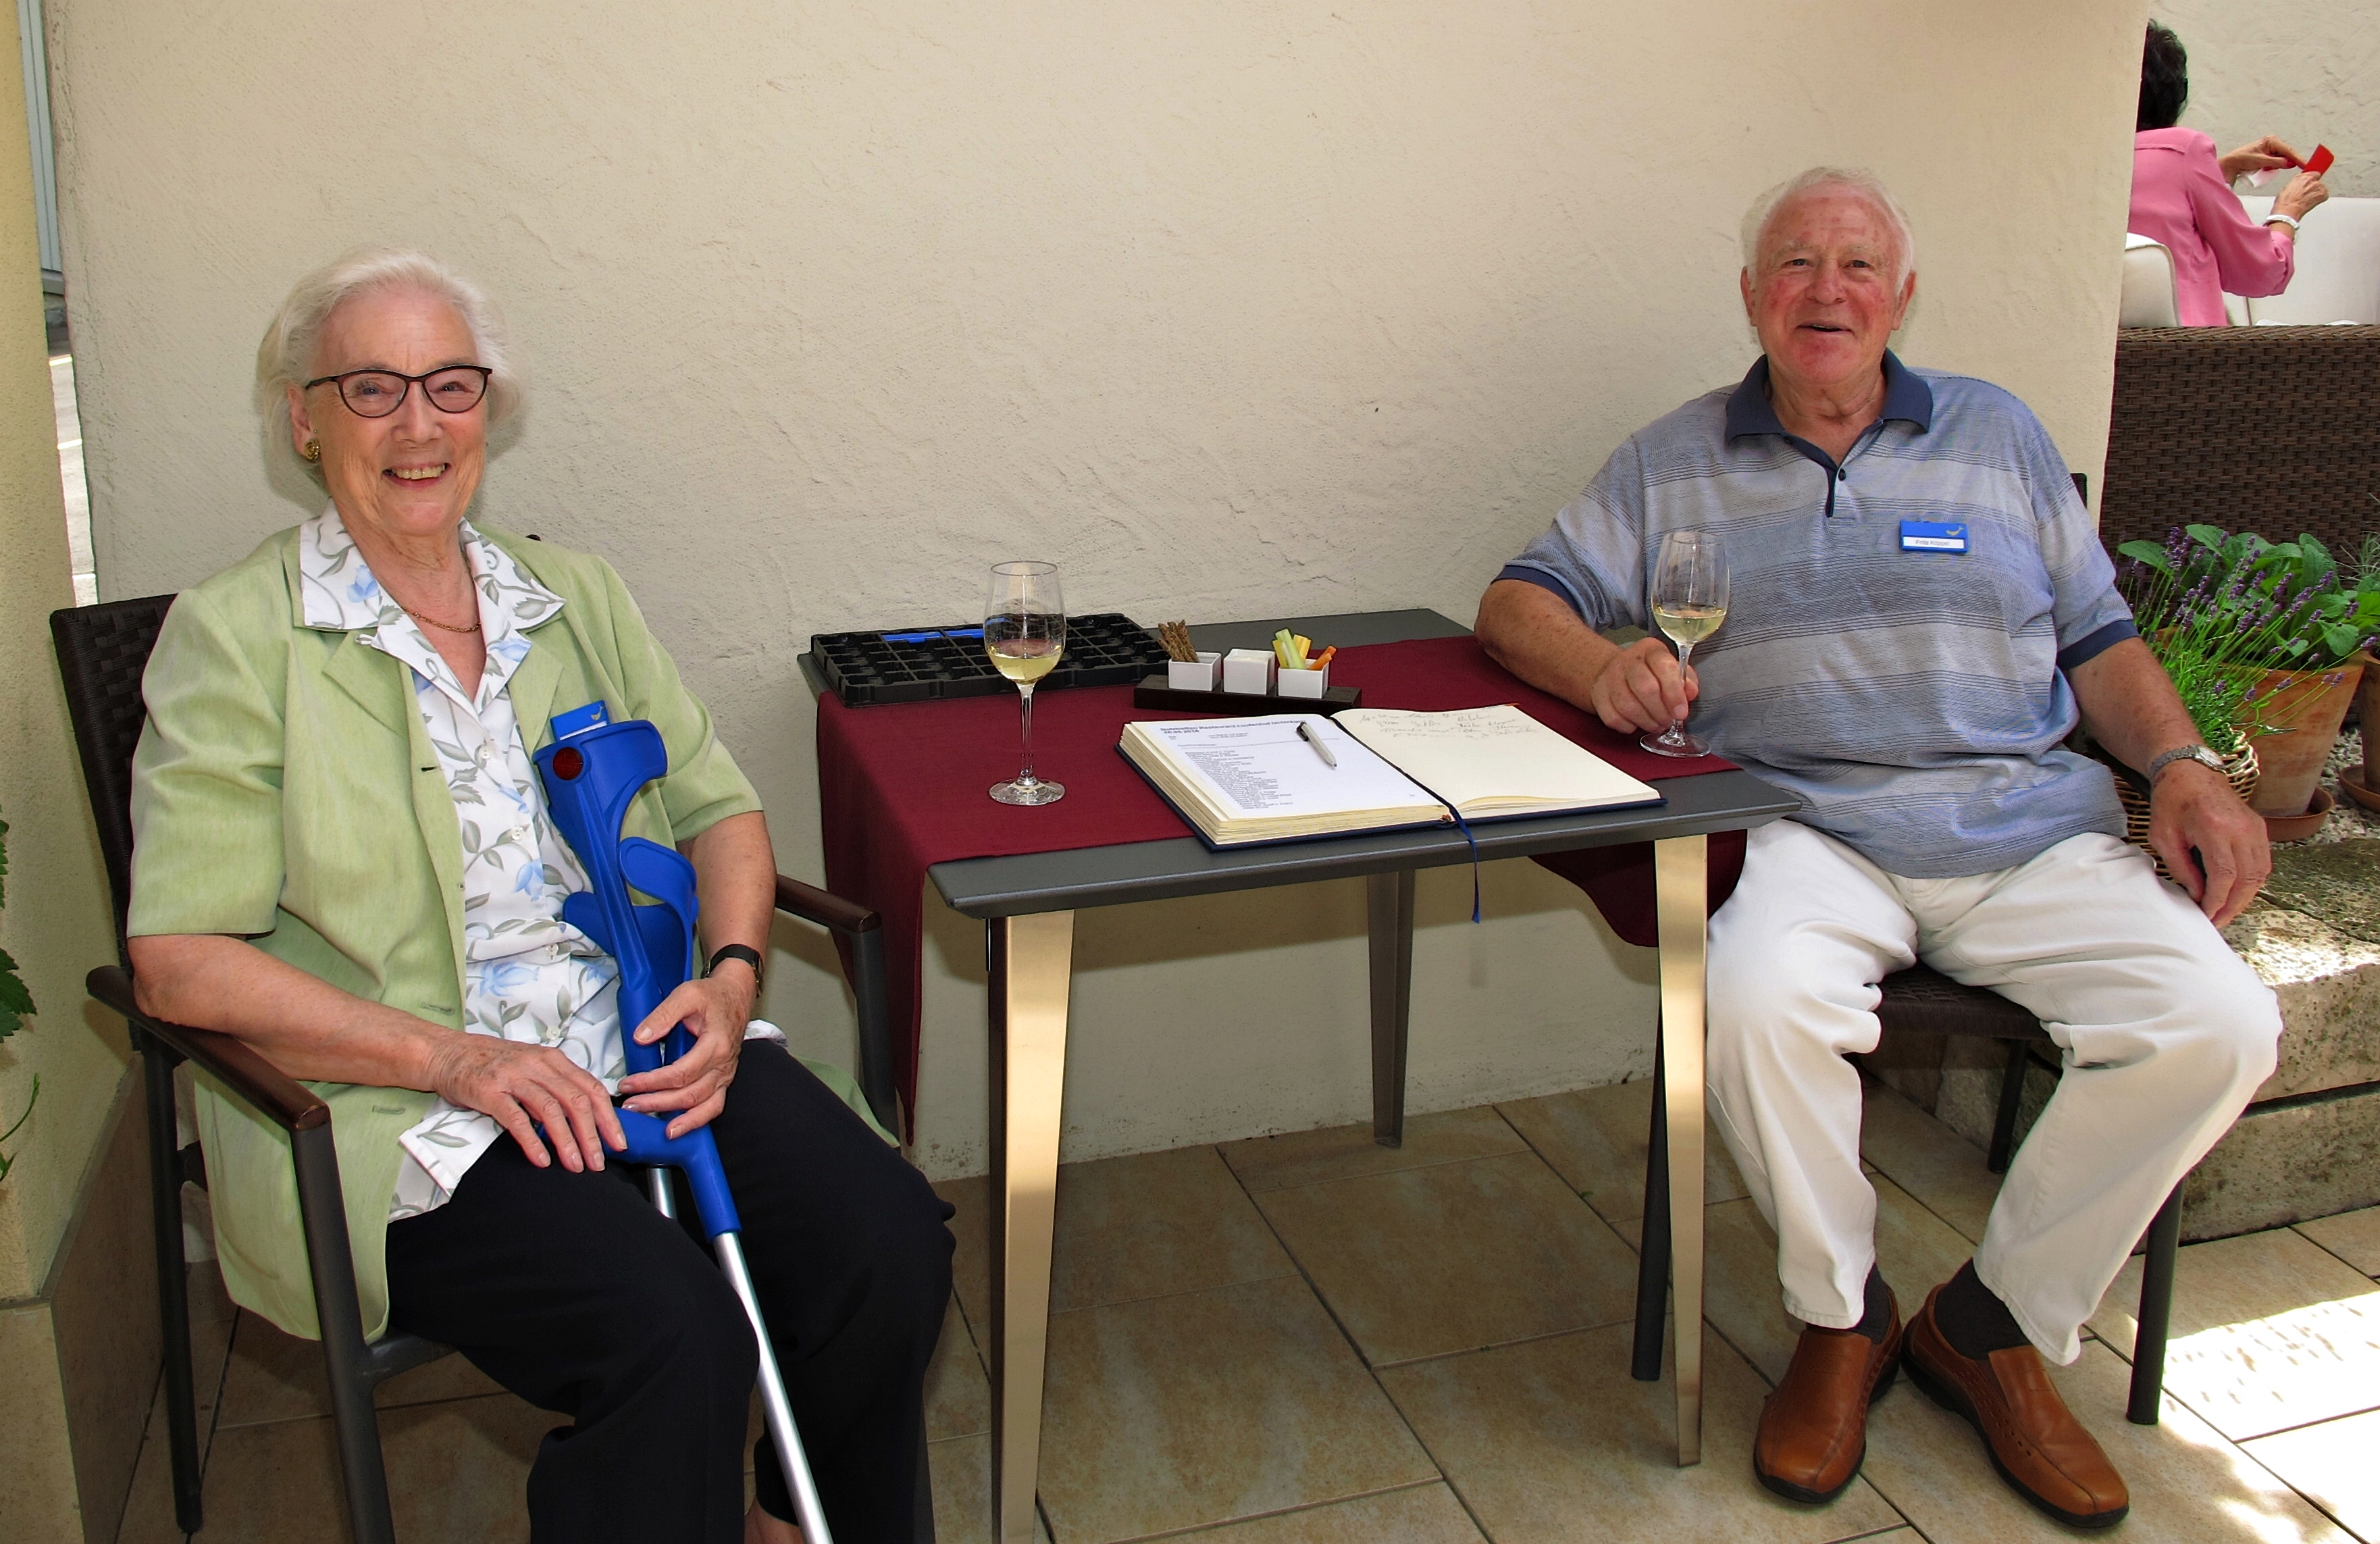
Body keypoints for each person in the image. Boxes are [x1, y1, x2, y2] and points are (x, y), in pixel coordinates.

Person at [1476, 169, 2281, 1528]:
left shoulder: (1998, 433)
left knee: (2219, 1023)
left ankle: (1991, 1324)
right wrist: (1601, 666)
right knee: (1749, 1000)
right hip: (1807, 827)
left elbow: (2099, 640)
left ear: (1901, 296)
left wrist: (2184, 765)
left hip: (2024, 830)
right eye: (1795, 263)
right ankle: (1840, 1313)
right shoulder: (1671, 458)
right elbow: (1515, 601)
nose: (1826, 289)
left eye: (1857, 265)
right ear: (1751, 297)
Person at [127, 249, 952, 1544]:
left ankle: (793, 1524)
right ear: (303, 418)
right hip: (408, 1105)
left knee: (887, 1242)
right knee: (672, 1334)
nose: (418, 425)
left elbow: (720, 811)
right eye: (371, 387)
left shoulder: (570, 597)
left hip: (639, 1040)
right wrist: (454, 1060)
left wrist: (729, 981)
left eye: (449, 385)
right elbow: (177, 959)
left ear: (488, 408)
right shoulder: (237, 636)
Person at [2129, 21, 2329, 326]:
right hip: (2188, 346)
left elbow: (2156, 207)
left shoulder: (2089, 158)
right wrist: (2288, 212)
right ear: (2177, 93)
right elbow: (2259, 273)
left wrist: (2220, 171)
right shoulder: (2184, 149)